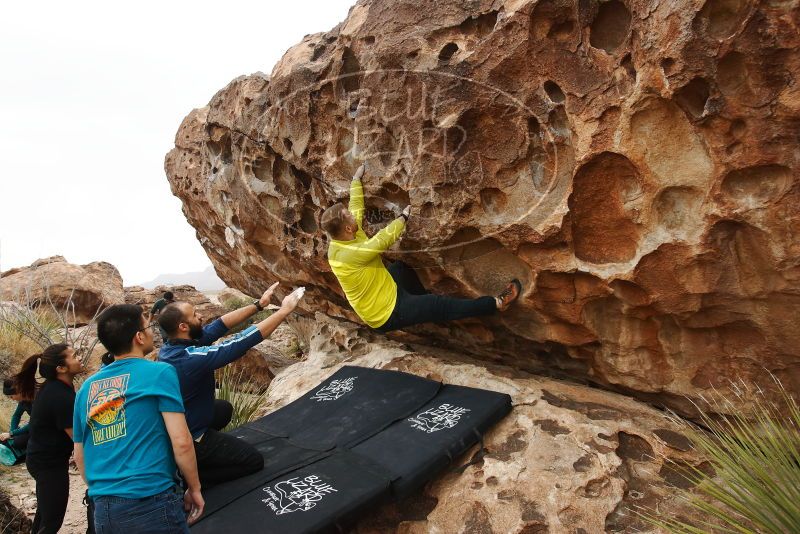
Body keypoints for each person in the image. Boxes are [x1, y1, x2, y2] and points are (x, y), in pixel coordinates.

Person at [321, 163, 523, 333]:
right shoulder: (346, 255)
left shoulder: (344, 235)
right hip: (385, 312)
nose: (352, 214)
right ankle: (496, 303)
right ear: (348, 227)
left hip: (386, 289)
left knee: (401, 269)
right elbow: (380, 242)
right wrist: (403, 218)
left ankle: (422, 306)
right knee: (437, 304)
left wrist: (356, 181)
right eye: (347, 216)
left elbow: (356, 207)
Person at [73, 304, 204, 533]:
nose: (152, 331)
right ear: (139, 337)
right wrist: (194, 488)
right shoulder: (159, 373)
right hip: (151, 501)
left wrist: (105, 490)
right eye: (148, 326)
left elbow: (80, 454)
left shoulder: (86, 389)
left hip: (103, 509)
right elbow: (182, 441)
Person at [157, 283, 304, 486]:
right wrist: (285, 310)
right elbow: (238, 343)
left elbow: (219, 326)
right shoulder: (187, 359)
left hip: (187, 419)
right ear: (183, 326)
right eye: (194, 315)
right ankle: (186, 477)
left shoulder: (177, 344)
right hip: (189, 436)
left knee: (223, 408)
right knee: (252, 461)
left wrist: (258, 305)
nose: (200, 316)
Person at [14, 343, 83, 534]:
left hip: (42, 460)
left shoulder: (55, 388)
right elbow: (77, 438)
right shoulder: (59, 395)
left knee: (45, 516)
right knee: (52, 520)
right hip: (48, 465)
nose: (79, 357)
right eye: (74, 355)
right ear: (61, 368)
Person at [1, 378, 33, 461]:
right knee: (14, 442)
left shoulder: (36, 399)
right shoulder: (23, 401)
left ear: (19, 392)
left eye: (11, 396)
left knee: (18, 442)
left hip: (46, 429)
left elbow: (34, 423)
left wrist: (12, 433)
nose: (12, 399)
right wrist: (12, 431)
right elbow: (16, 415)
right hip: (35, 427)